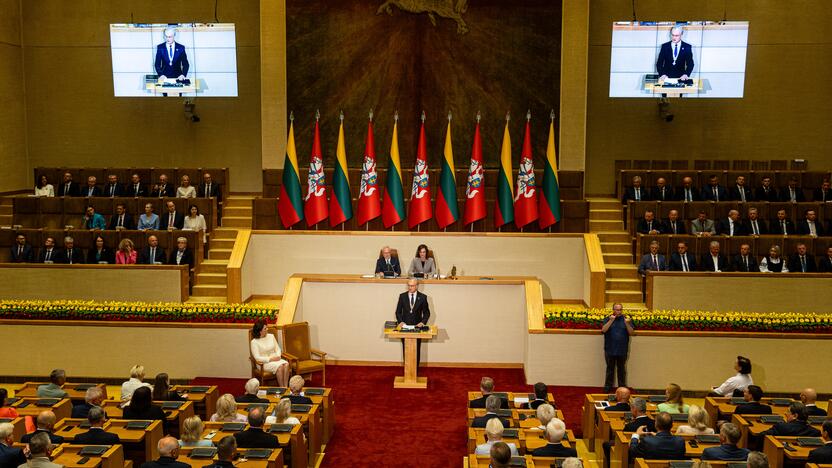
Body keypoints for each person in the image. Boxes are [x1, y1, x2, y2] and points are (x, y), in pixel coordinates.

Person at [394, 279, 431, 365]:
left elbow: (427, 313)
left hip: (417, 328)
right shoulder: (402, 296)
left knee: (416, 349)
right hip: (405, 327)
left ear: (417, 286)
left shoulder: (423, 297)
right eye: (409, 285)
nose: (410, 287)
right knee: (405, 349)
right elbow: (398, 312)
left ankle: (416, 371)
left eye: (412, 286)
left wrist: (423, 322)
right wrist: (400, 321)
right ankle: (407, 371)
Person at [601, 304, 634, 392]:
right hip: (610, 349)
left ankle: (622, 388)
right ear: (613, 310)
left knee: (621, 370)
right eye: (616, 310)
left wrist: (627, 323)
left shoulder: (627, 319)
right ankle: (608, 388)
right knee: (610, 370)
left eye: (620, 310)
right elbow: (603, 330)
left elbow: (631, 332)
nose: (618, 311)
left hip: (622, 349)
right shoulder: (608, 318)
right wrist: (611, 321)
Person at [250, 320, 290, 387]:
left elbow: (278, 349)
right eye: (265, 328)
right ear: (260, 331)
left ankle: (286, 387)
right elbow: (257, 357)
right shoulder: (254, 342)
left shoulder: (271, 336)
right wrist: (270, 359)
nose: (267, 329)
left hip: (276, 359)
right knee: (280, 367)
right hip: (264, 363)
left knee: (286, 364)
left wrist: (278, 356)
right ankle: (282, 387)